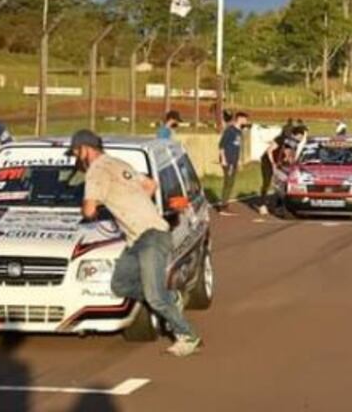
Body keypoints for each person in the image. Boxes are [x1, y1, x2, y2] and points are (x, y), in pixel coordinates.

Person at [72, 129, 201, 357]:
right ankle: (172, 299)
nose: (75, 158)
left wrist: (87, 208)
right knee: (120, 285)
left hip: (151, 236)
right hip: (137, 238)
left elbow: (90, 210)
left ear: (85, 149)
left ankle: (188, 336)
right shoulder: (118, 163)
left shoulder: (96, 170)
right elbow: (151, 185)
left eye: (75, 152)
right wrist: (130, 202)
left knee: (154, 296)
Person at [217, 111, 249, 213]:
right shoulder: (230, 130)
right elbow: (221, 145)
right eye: (245, 119)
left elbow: (238, 147)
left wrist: (239, 160)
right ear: (239, 119)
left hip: (234, 160)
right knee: (228, 181)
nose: (246, 121)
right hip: (228, 159)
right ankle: (223, 206)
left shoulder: (239, 131)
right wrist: (223, 159)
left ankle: (225, 203)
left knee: (231, 182)